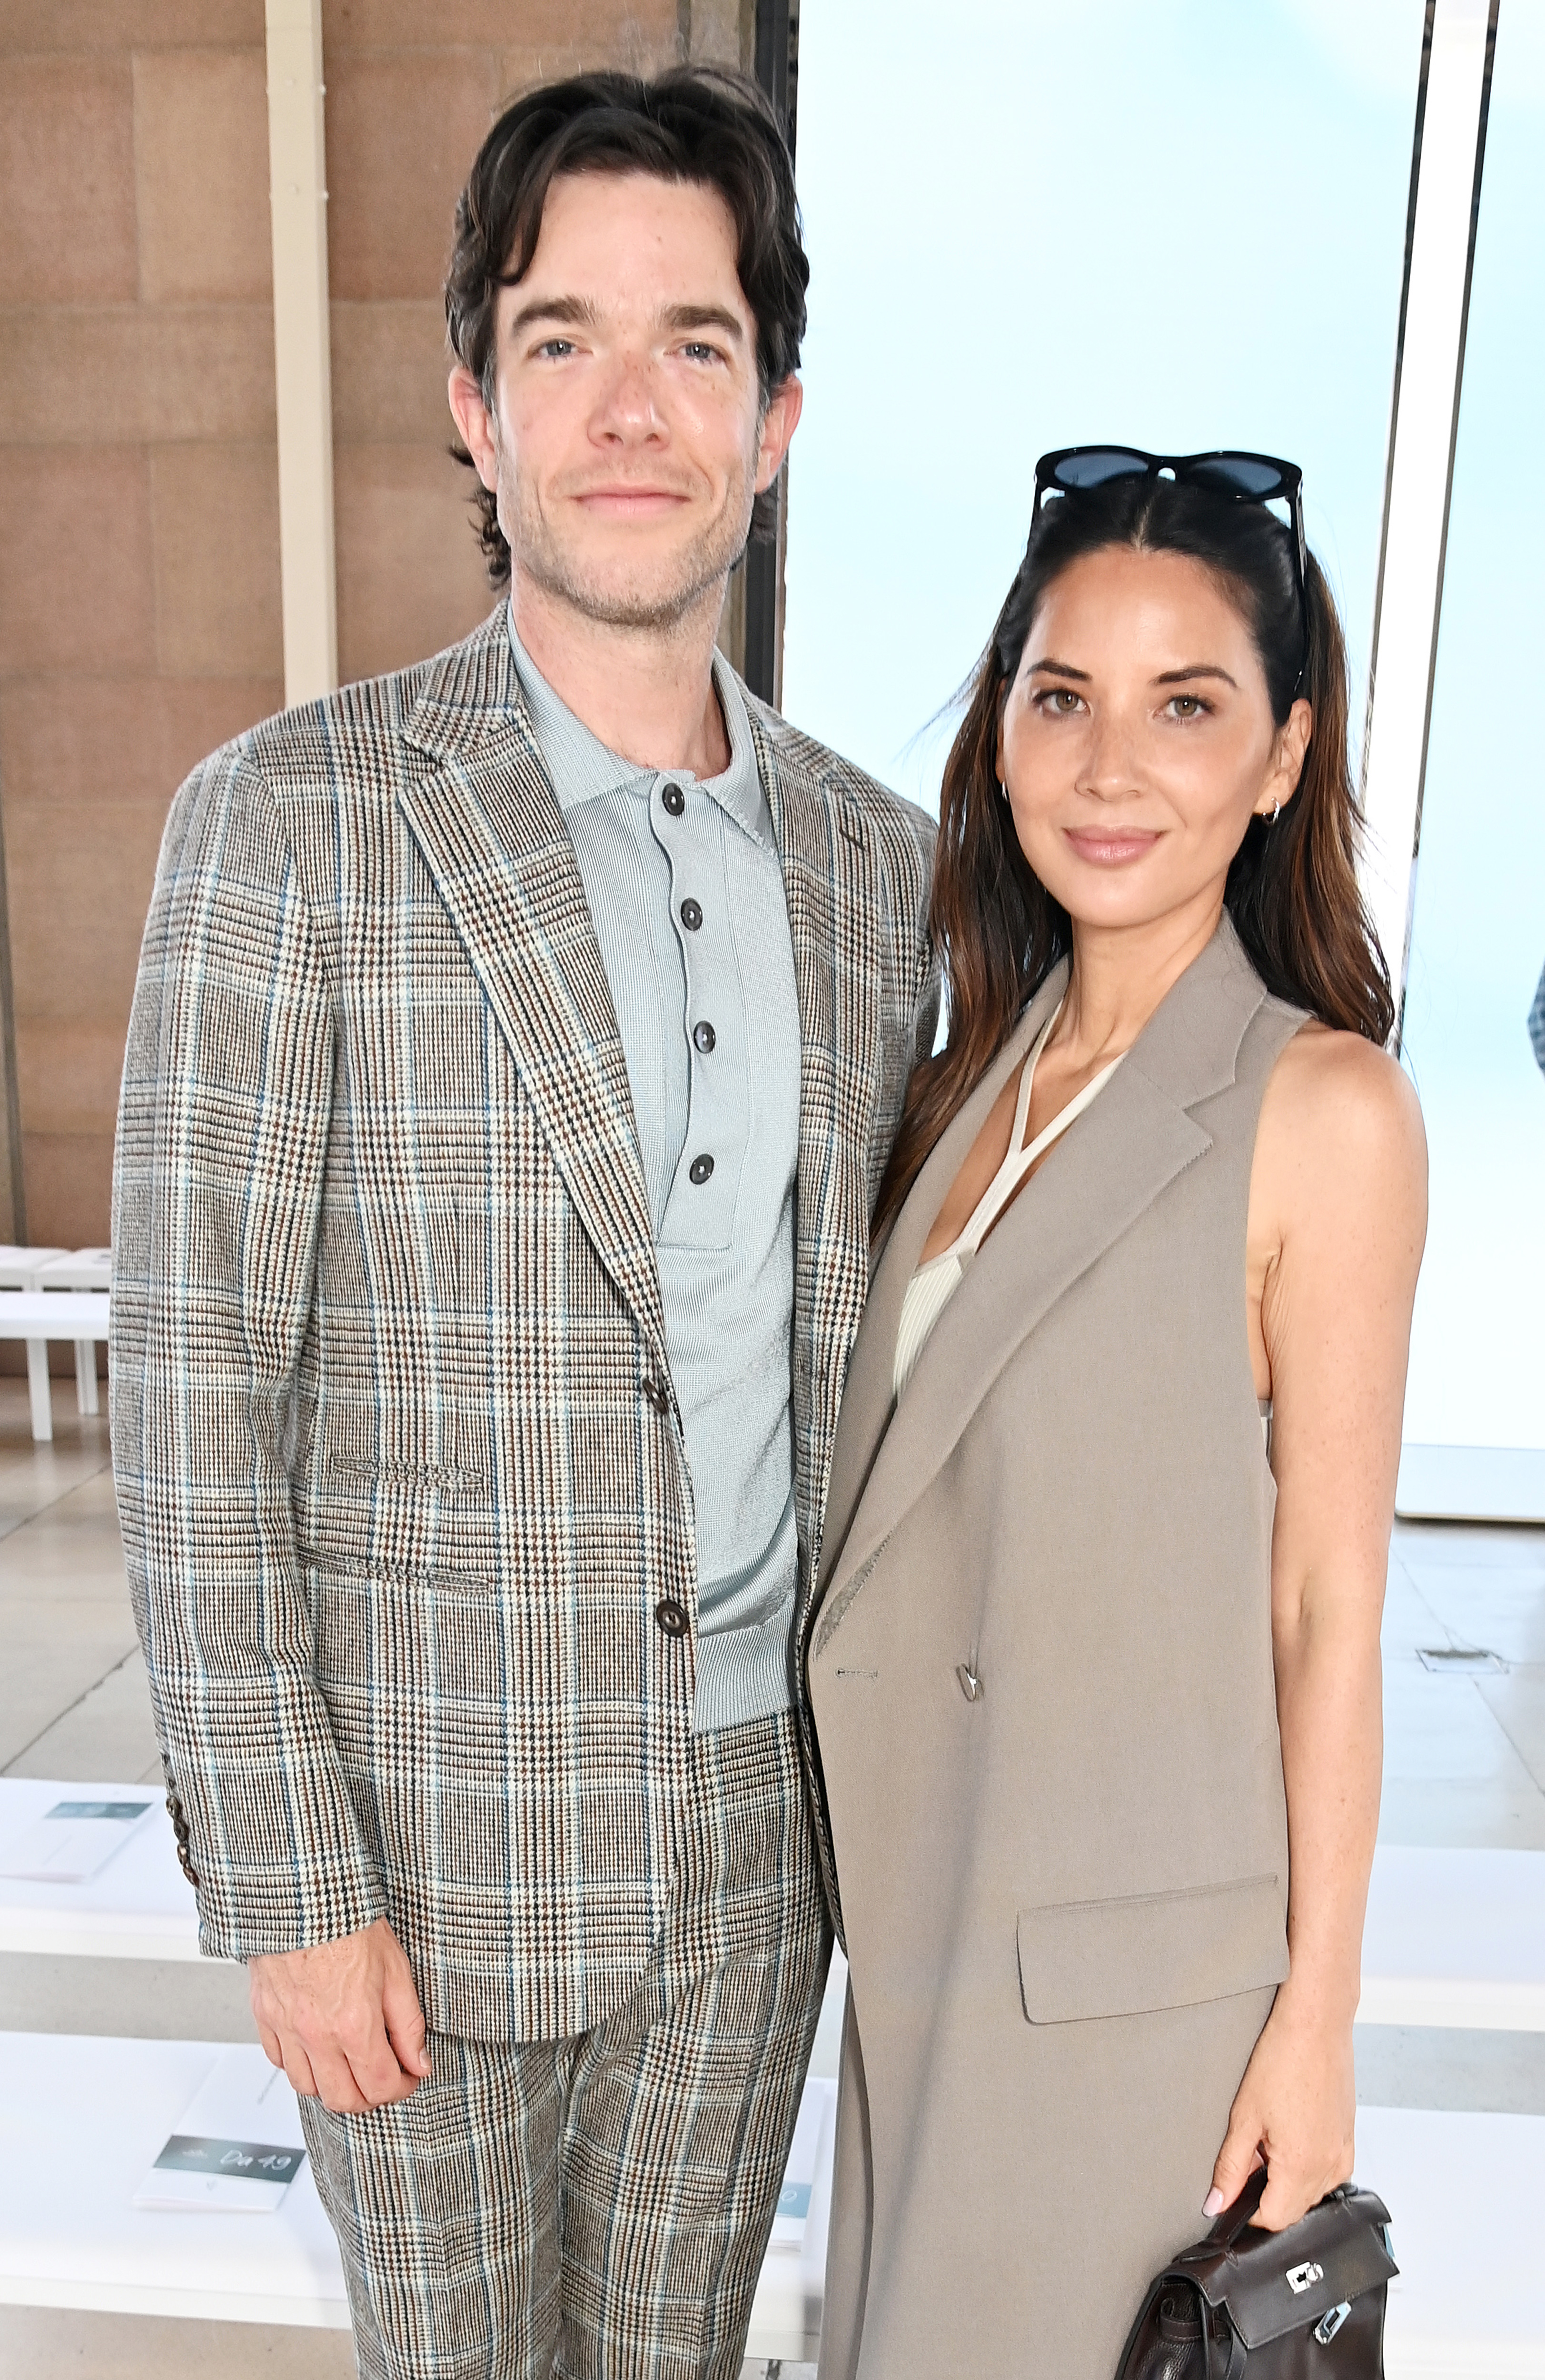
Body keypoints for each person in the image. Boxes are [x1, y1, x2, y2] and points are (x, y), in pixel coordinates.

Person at [111, 68, 936, 2380]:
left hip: (759, 1856)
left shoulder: (877, 870)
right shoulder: (293, 823)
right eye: (561, 337)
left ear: (773, 417)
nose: (629, 406)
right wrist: (289, 1886)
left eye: (694, 342)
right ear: (473, 403)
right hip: (424, 1861)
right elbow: (193, 1389)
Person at [800, 448, 1427, 2380]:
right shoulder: (958, 1078)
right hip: (917, 1933)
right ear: (996, 731)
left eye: (1185, 707)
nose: (1103, 766)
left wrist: (1311, 2019)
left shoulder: (1317, 1109)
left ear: (1277, 755)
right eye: (1058, 696)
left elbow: (1327, 1602)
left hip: (1124, 2010)